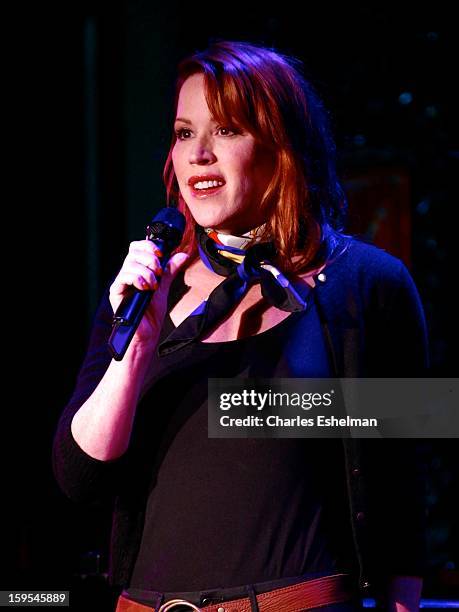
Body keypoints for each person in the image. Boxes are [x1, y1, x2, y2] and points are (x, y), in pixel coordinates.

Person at [52, 41, 429, 611]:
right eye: (184, 133)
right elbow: (78, 479)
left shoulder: (371, 283)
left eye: (226, 130)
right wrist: (135, 349)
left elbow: (404, 489)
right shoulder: (145, 288)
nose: (199, 153)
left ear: (280, 147)